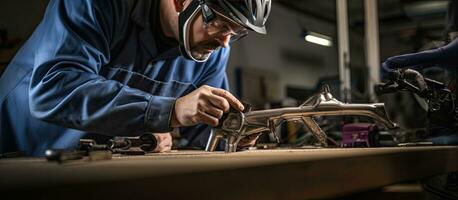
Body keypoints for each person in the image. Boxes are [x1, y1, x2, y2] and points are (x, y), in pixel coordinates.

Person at [0, 0, 272, 156]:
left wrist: (234, 132)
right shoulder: (98, 5)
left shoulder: (211, 49)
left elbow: (204, 127)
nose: (225, 43)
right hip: (15, 159)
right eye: (221, 24)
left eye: (236, 33)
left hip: (88, 166)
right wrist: (170, 111)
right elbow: (54, 89)